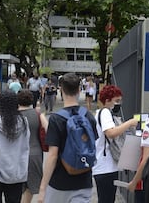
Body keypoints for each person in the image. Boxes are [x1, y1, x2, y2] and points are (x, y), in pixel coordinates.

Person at [38, 73, 98, 203]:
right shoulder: (89, 116)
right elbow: (93, 147)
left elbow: (52, 156)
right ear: (79, 90)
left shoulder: (56, 119)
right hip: (84, 181)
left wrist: (43, 188)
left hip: (59, 184)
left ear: (61, 90)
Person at [93, 85, 139, 203]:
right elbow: (110, 133)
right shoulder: (105, 113)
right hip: (105, 166)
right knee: (107, 199)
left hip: (105, 166)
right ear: (107, 101)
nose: (119, 104)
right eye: (116, 101)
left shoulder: (101, 113)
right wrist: (129, 123)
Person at [18, 89, 48, 203]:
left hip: (17, 154)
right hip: (35, 154)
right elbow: (48, 129)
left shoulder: (14, 115)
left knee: (17, 185)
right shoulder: (38, 114)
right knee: (30, 186)